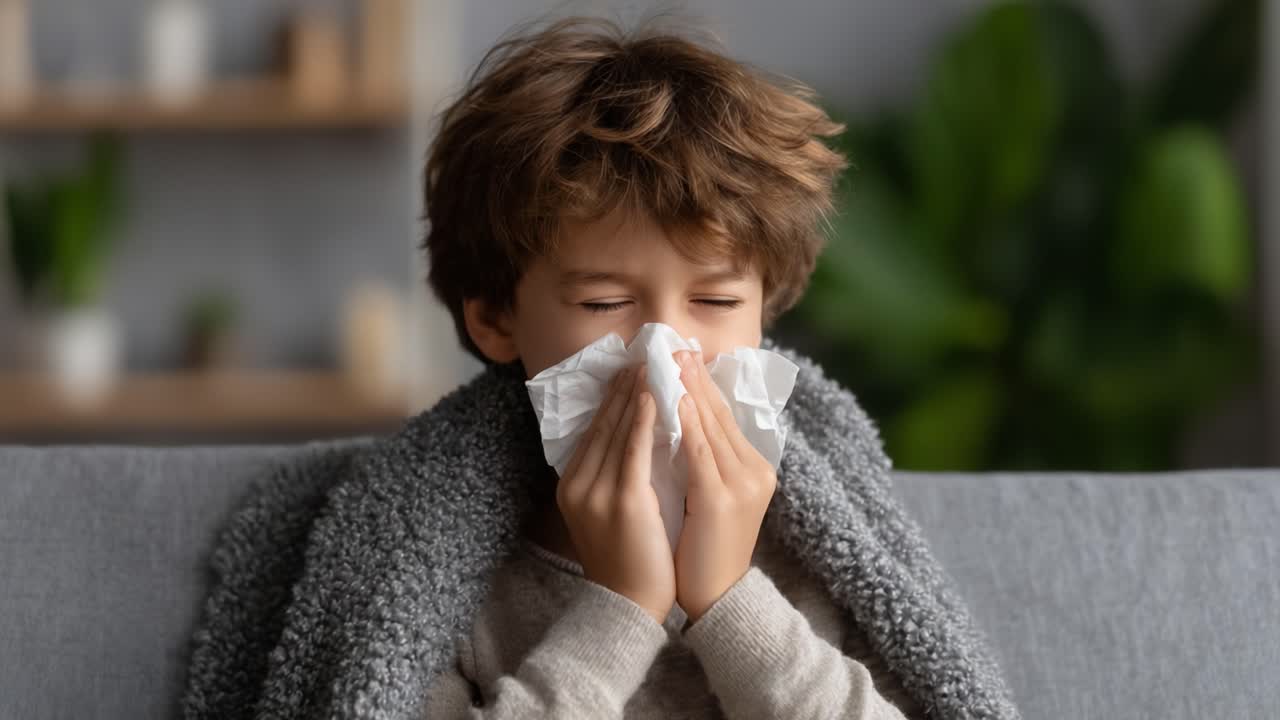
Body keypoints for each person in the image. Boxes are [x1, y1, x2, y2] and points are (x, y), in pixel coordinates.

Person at [180, 12, 1020, 720]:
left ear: (769, 309)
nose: (665, 351)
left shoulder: (806, 545)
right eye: (602, 305)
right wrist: (618, 610)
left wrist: (729, 599)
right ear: (497, 317)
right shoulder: (433, 569)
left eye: (718, 304)